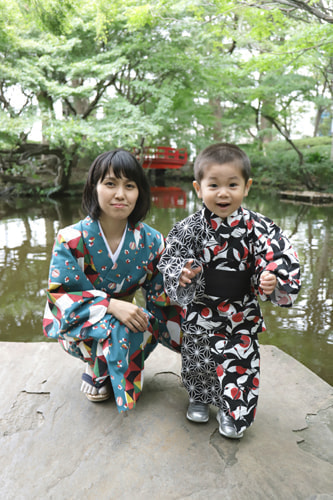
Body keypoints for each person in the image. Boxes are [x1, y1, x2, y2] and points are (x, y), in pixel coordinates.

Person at [158, 142, 301, 439]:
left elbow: (276, 257)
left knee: (241, 361)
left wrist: (268, 278)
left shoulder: (259, 227)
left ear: (246, 187)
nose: (223, 193)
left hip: (241, 310)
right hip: (201, 305)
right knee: (199, 358)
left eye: (232, 184)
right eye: (214, 185)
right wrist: (182, 273)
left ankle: (232, 410)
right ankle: (199, 397)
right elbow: (170, 257)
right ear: (199, 188)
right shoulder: (189, 227)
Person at [43, 149, 182, 412]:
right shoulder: (70, 238)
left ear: (139, 192)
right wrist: (111, 305)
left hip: (128, 321)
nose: (120, 194)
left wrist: (184, 279)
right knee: (116, 321)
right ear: (93, 188)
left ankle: (114, 366)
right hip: (83, 323)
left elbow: (162, 295)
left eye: (129, 186)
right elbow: (61, 296)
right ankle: (97, 367)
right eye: (110, 184)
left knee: (151, 319)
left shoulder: (152, 241)